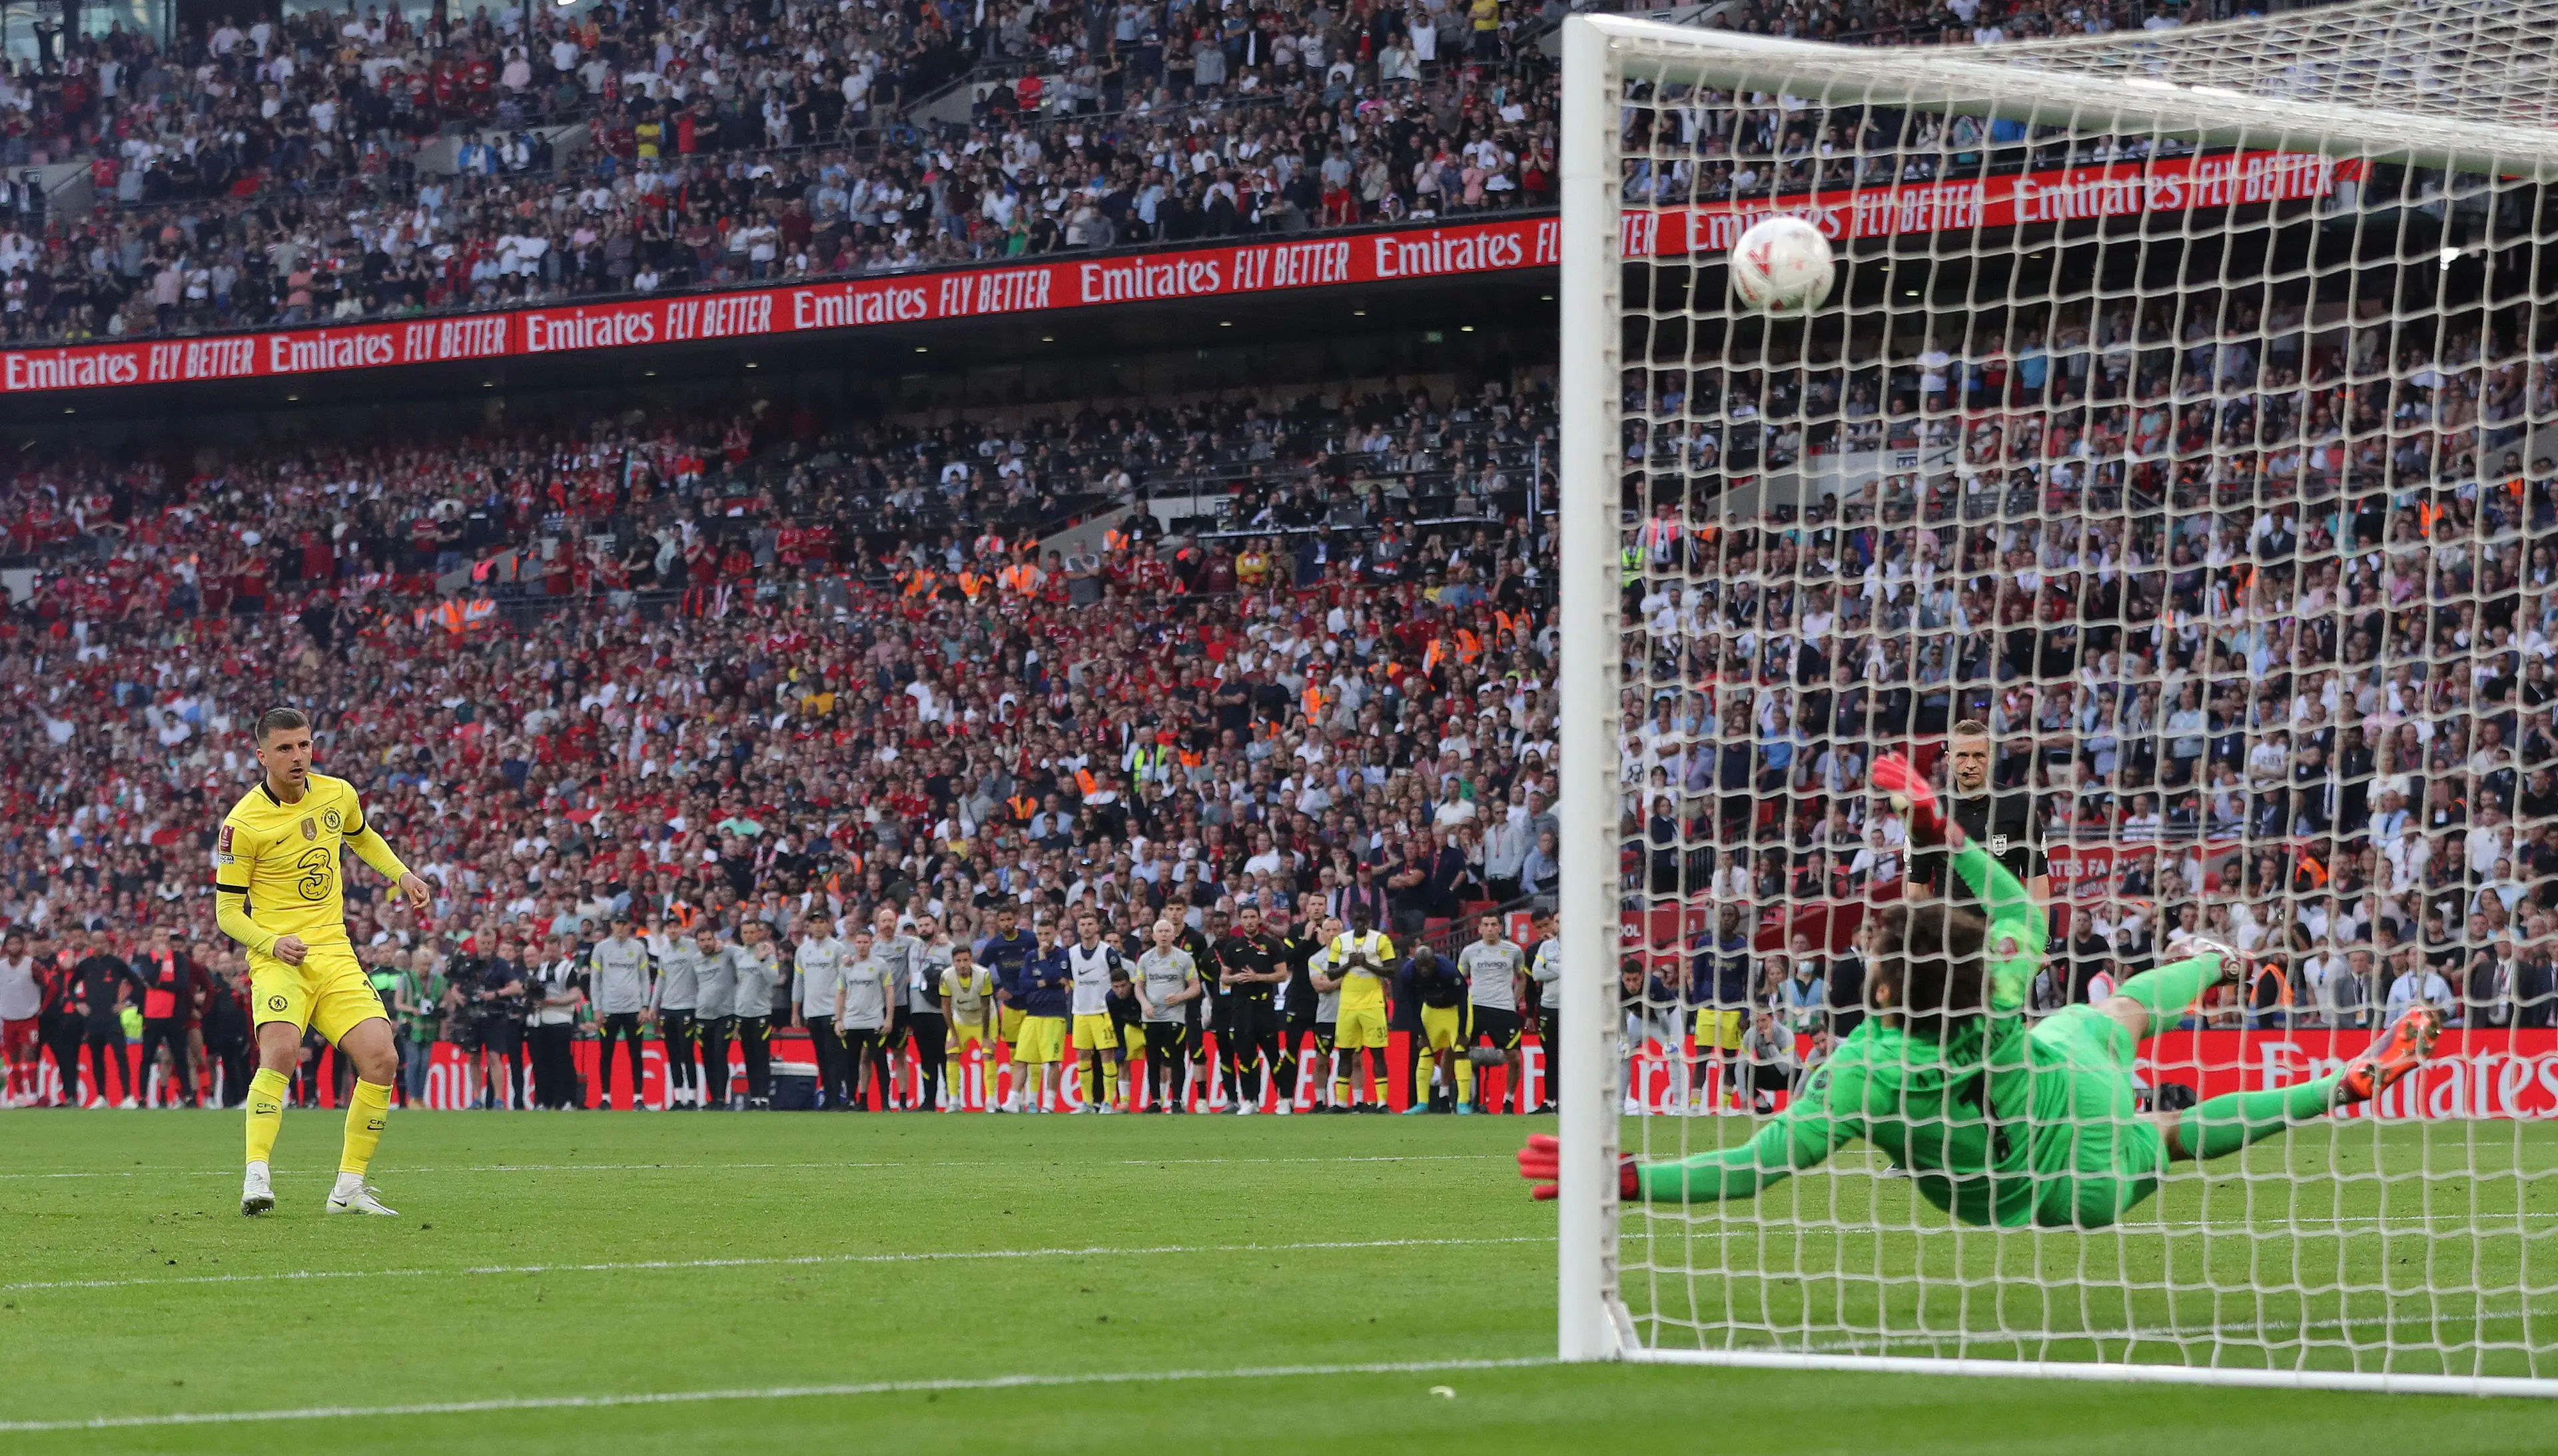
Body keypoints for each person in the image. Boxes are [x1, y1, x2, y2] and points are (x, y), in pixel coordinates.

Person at [1520, 753, 2447, 1227]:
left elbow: (1753, 1166)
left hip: (2053, 1194)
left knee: (2159, 1125)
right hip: (2058, 1087)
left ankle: (2251, 999)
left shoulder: (1859, 1074)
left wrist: (1629, 1176)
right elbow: (2016, 904)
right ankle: (2259, 1003)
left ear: (1885, 992)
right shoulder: (1999, 988)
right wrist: (1944, 828)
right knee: (2116, 1014)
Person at [215, 707, 431, 1216]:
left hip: (333, 952)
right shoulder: (241, 824)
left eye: (305, 745)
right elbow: (227, 912)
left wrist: (402, 874)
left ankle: (348, 1190)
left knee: (382, 1059)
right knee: (283, 1051)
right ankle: (256, 1177)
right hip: (278, 958)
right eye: (286, 748)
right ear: (261, 754)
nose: (298, 756)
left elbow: (362, 836)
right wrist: (270, 943)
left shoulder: (338, 793)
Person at [1215, 903, 1285, 1114]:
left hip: (1264, 1005)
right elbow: (1223, 977)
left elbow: (1282, 975)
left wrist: (1258, 978)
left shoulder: (1271, 945)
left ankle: (1283, 1098)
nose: (1249, 921)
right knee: (1245, 1055)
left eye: (1253, 917)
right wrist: (1236, 978)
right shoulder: (1233, 947)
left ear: (1259, 919)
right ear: (1240, 920)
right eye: (1245, 917)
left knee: (1273, 1054)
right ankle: (1250, 1100)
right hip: (1241, 1007)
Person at [1328, 903, 1398, 1112]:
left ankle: (1382, 1103)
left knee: (1377, 1053)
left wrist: (1366, 964)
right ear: (1350, 918)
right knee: (1345, 1053)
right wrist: (1350, 964)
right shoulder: (1340, 941)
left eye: (1363, 920)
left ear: (1369, 920)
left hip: (1373, 1003)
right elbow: (1331, 974)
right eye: (1356, 920)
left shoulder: (1381, 940)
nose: (1360, 923)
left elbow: (1393, 970)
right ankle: (1341, 1103)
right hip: (1348, 1004)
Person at [1458, 912, 1527, 1114]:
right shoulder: (1469, 952)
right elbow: (1459, 979)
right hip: (1476, 1007)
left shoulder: (1514, 951)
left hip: (1503, 1009)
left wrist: (1514, 1001)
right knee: (1459, 1050)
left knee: (1514, 1057)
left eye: (1494, 924)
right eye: (1486, 925)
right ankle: (1461, 1100)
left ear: (1500, 928)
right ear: (1479, 929)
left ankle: (1509, 1101)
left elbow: (1522, 978)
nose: (1490, 929)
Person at [1134, 916, 1201, 1112]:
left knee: (1176, 1058)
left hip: (1175, 1016)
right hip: (1152, 1016)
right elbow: (1138, 986)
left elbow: (1196, 987)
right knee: (1153, 1059)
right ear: (1153, 936)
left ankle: (1177, 1101)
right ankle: (1156, 1100)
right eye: (1160, 932)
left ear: (1173, 935)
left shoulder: (1183, 958)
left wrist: (1180, 997)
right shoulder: (1146, 959)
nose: (1164, 935)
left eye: (1167, 931)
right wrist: (1145, 1003)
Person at [70, 929, 143, 1108]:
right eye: (95, 943)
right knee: (96, 1058)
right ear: (90, 944)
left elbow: (138, 985)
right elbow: (71, 985)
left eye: (102, 942)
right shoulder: (85, 965)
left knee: (121, 1056)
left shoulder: (117, 964)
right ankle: (101, 1096)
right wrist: (78, 1003)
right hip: (93, 1019)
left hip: (112, 1018)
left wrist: (126, 1003)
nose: (99, 946)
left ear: (107, 944)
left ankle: (128, 1096)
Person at [588, 916, 654, 1111]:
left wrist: (645, 1006)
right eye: (618, 923)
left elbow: (645, 979)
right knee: (606, 1054)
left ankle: (638, 1098)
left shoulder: (638, 948)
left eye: (625, 923)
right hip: (609, 1009)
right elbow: (595, 980)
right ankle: (606, 1097)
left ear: (630, 925)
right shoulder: (601, 948)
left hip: (633, 1009)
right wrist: (597, 1008)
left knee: (636, 1054)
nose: (621, 927)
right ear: (612, 925)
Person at [1065, 911, 1126, 1114]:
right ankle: (1087, 1103)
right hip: (1081, 1012)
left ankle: (1108, 1102)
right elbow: (1068, 980)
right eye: (1082, 924)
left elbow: (1119, 979)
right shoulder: (1071, 953)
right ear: (1078, 928)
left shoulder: (1107, 953)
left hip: (1102, 1012)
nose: (1086, 928)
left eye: (1090, 924)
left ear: (1097, 927)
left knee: (1106, 1056)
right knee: (1082, 1055)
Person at [977, 905, 1037, 1111]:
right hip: (1010, 1005)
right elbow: (980, 971)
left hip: (1031, 1003)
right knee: (1014, 1051)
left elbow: (1040, 964)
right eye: (1001, 921)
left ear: (1016, 919)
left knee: (1033, 1053)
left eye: (1009, 920)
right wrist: (995, 990)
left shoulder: (1029, 940)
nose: (1005, 924)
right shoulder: (995, 945)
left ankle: (1034, 1101)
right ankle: (1017, 1099)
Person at [1013, 916, 1072, 1112]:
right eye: (1040, 934)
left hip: (1053, 1015)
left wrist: (1043, 957)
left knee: (1052, 1060)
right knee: (1022, 1059)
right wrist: (1043, 983)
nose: (1044, 938)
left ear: (1055, 934)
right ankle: (1013, 1100)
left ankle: (1049, 1102)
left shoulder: (1063, 955)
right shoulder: (1030, 956)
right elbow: (1023, 983)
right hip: (1032, 1014)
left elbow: (1053, 976)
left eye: (1048, 934)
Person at [1406, 942, 1472, 1114]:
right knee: (1426, 1051)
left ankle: (1462, 1103)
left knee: (1460, 1050)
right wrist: (1421, 1033)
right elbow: (1411, 1004)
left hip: (1454, 1010)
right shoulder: (1409, 972)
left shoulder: (1448, 971)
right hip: (1431, 1010)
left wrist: (1462, 1032)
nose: (1424, 970)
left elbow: (1463, 999)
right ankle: (1422, 1103)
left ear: (1434, 962)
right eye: (1421, 966)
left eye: (1428, 965)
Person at [135, 928, 197, 1107]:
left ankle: (187, 1096)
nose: (162, 939)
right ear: (153, 939)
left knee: (180, 1056)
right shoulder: (147, 959)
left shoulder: (178, 959)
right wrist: (161, 961)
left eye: (165, 936)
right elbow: (151, 978)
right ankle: (141, 1097)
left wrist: (158, 985)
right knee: (147, 1057)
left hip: (174, 1015)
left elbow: (182, 984)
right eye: (159, 935)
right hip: (152, 1015)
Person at [795, 916, 851, 1110]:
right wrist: (796, 1010)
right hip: (812, 1011)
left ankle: (837, 1098)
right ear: (808, 926)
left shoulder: (837, 948)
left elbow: (844, 982)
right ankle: (828, 1096)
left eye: (821, 922)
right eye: (814, 922)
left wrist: (842, 1012)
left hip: (831, 1010)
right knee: (821, 1056)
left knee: (834, 1056)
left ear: (828, 925)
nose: (818, 926)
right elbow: (798, 982)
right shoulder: (803, 951)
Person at [835, 927, 893, 1110]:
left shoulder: (880, 965)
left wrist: (889, 1018)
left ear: (871, 944)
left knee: (880, 1063)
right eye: (859, 942)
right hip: (852, 1022)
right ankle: (855, 1101)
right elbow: (841, 993)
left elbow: (889, 992)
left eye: (865, 942)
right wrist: (838, 1019)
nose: (862, 946)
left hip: (874, 1021)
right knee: (852, 1064)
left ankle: (885, 1103)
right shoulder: (846, 967)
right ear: (855, 944)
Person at [653, 922, 709, 1109]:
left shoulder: (693, 946)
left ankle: (693, 1098)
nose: (673, 930)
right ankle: (678, 1098)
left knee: (687, 1053)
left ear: (681, 928)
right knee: (673, 1054)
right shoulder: (664, 951)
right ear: (665, 930)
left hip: (688, 1007)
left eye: (676, 926)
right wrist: (654, 1006)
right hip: (668, 1008)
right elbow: (661, 980)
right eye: (669, 927)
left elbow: (710, 951)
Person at [528, 932, 584, 1109]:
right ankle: (544, 1100)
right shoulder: (541, 969)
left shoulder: (568, 968)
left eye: (554, 950)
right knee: (542, 1063)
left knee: (562, 1062)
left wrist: (553, 1002)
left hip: (561, 1019)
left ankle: (567, 1099)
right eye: (548, 950)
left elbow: (575, 995)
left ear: (560, 949)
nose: (551, 954)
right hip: (541, 1021)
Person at [905, 914, 955, 1111]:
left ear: (936, 926)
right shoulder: (913, 946)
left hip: (940, 1011)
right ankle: (928, 1101)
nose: (924, 928)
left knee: (945, 1057)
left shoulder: (947, 948)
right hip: (918, 1010)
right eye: (921, 925)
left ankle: (953, 1099)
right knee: (926, 1058)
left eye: (928, 925)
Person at [939, 941, 998, 1110]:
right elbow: (945, 1006)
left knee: (988, 1054)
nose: (962, 965)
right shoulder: (946, 976)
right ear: (953, 962)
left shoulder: (983, 975)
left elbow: (986, 1006)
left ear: (971, 960)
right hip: (961, 1018)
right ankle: (954, 1101)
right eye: (958, 961)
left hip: (984, 1018)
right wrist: (953, 1034)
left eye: (966, 960)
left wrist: (986, 1036)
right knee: (952, 1053)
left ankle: (990, 1101)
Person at [731, 918, 783, 1110]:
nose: (749, 936)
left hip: (761, 1012)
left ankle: (764, 1097)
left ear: (759, 933)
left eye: (752, 932)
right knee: (749, 1057)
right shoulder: (738, 955)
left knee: (762, 1056)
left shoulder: (767, 953)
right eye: (745, 933)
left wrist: (761, 960)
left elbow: (773, 979)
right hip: (743, 1013)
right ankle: (754, 1097)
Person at [693, 922, 740, 1110]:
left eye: (709, 939)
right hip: (703, 1015)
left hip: (725, 1014)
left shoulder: (727, 953)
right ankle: (713, 1098)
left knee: (720, 1055)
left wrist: (727, 945)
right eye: (702, 940)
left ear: (715, 939)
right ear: (697, 943)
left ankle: (721, 1098)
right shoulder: (695, 959)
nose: (706, 944)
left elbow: (744, 953)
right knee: (707, 1058)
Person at [1527, 909, 1561, 1114]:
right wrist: (1530, 1013)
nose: (1547, 929)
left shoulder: (1581, 945)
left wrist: (1552, 969)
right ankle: (1549, 1101)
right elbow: (1536, 975)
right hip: (1548, 1007)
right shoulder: (1540, 948)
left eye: (1550, 923)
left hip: (1573, 1010)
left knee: (1574, 1057)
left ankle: (1569, 1103)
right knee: (1551, 1056)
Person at [0, 930, 37, 1106]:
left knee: (29, 1054)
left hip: (28, 1018)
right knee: (13, 1057)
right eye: (11, 943)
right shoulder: (1, 967)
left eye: (17, 943)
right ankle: (19, 1095)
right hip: (8, 1019)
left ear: (23, 945)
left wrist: (41, 1008)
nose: (14, 947)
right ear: (5, 947)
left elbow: (50, 987)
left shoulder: (32, 965)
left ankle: (34, 1094)